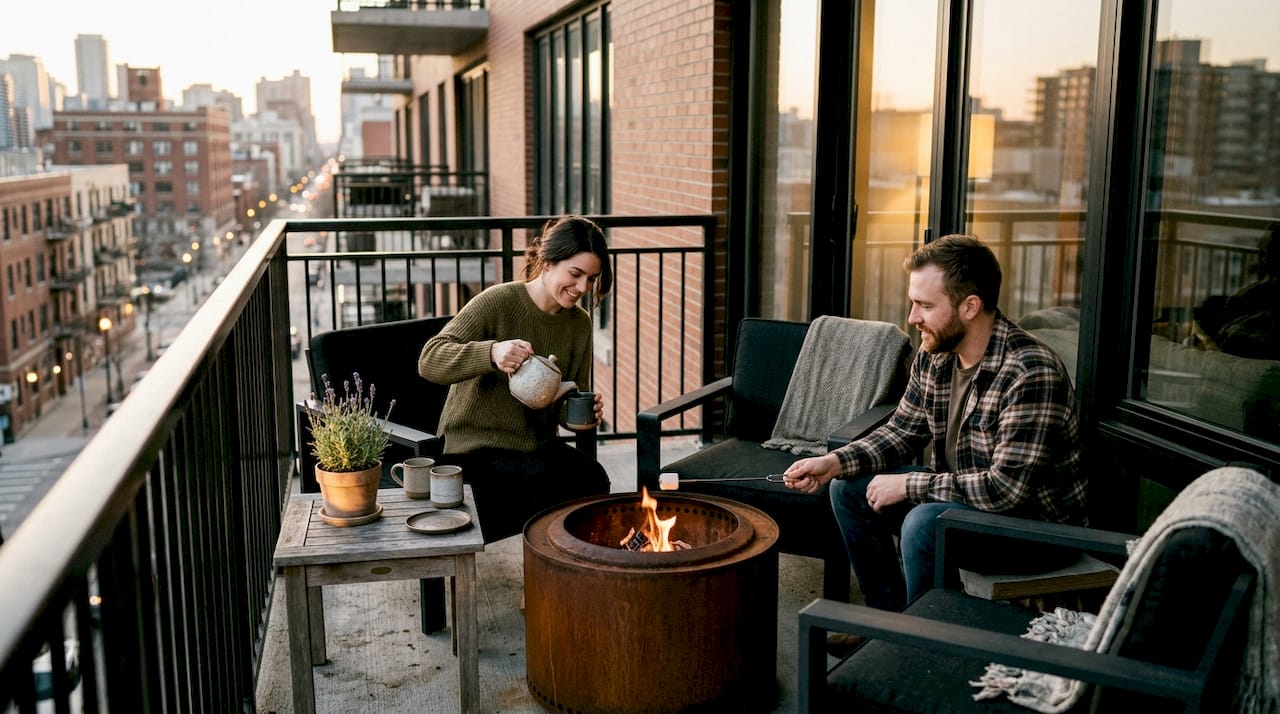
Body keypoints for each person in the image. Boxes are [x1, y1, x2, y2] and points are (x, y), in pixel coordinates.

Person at [783, 234, 1086, 614]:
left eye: (925, 305)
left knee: (925, 524)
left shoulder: (1029, 372)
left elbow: (1006, 491)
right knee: (847, 488)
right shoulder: (936, 355)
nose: (912, 318)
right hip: (965, 504)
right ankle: (886, 623)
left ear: (970, 306)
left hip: (1035, 530)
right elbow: (902, 430)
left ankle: (918, 644)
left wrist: (909, 484)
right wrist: (836, 462)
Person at [418, 215, 614, 542]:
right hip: (473, 448)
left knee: (592, 478)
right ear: (548, 262)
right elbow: (430, 358)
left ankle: (575, 578)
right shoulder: (499, 301)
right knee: (541, 488)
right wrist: (491, 354)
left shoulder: (579, 325)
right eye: (576, 274)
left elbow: (569, 399)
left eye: (591, 279)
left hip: (533, 448)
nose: (583, 288)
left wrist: (583, 413)